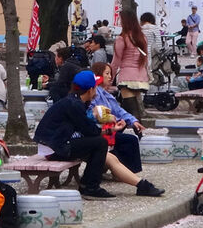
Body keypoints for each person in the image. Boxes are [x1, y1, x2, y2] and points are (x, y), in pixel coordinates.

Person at [33, 70, 163, 199]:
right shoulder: (74, 104)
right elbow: (90, 131)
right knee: (100, 143)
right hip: (53, 148)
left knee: (107, 153)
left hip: (56, 144)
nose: (97, 89)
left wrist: (110, 130)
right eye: (95, 86)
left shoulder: (74, 101)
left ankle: (140, 185)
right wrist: (108, 128)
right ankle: (90, 186)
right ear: (90, 89)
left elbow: (88, 130)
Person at [89, 64, 146, 173]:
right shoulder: (94, 92)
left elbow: (119, 111)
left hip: (108, 128)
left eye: (110, 73)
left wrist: (133, 121)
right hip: (98, 130)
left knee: (127, 136)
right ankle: (124, 172)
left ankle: (122, 170)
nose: (110, 77)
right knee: (130, 140)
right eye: (107, 73)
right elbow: (95, 115)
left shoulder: (106, 94)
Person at [112, 9, 150, 120]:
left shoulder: (122, 38)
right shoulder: (142, 38)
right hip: (141, 77)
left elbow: (116, 62)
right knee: (131, 107)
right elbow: (146, 57)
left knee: (131, 109)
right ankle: (132, 132)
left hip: (127, 76)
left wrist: (110, 79)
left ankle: (138, 132)